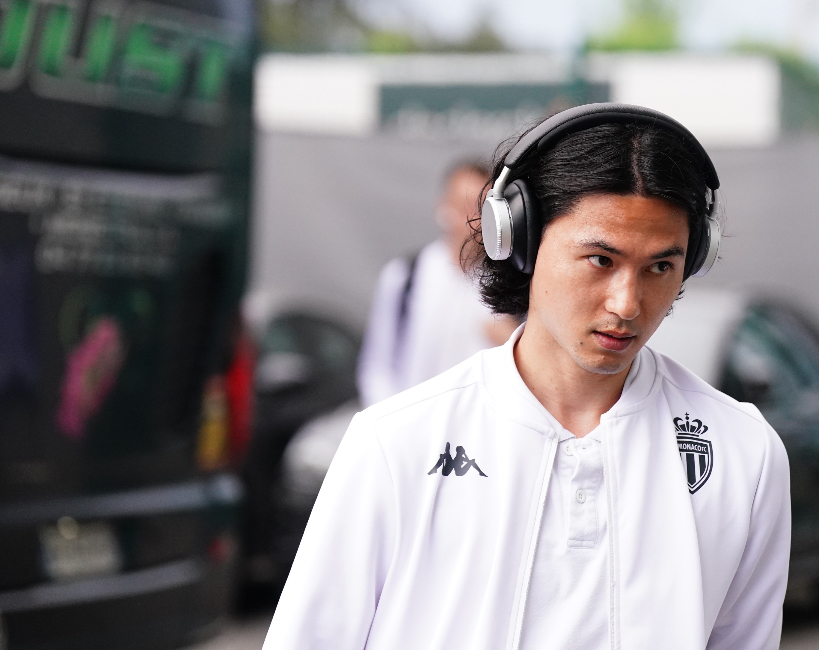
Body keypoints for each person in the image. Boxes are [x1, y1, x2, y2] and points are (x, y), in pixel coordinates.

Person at [264, 103, 791, 650]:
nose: (627, 303)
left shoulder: (744, 455)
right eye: (600, 260)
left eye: (660, 266)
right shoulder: (393, 443)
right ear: (520, 241)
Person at [356, 159, 518, 407]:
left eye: (481, 209)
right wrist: (393, 417)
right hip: (410, 418)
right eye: (463, 207)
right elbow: (377, 365)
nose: (472, 220)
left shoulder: (508, 284)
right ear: (443, 207)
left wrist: (512, 341)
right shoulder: (406, 276)